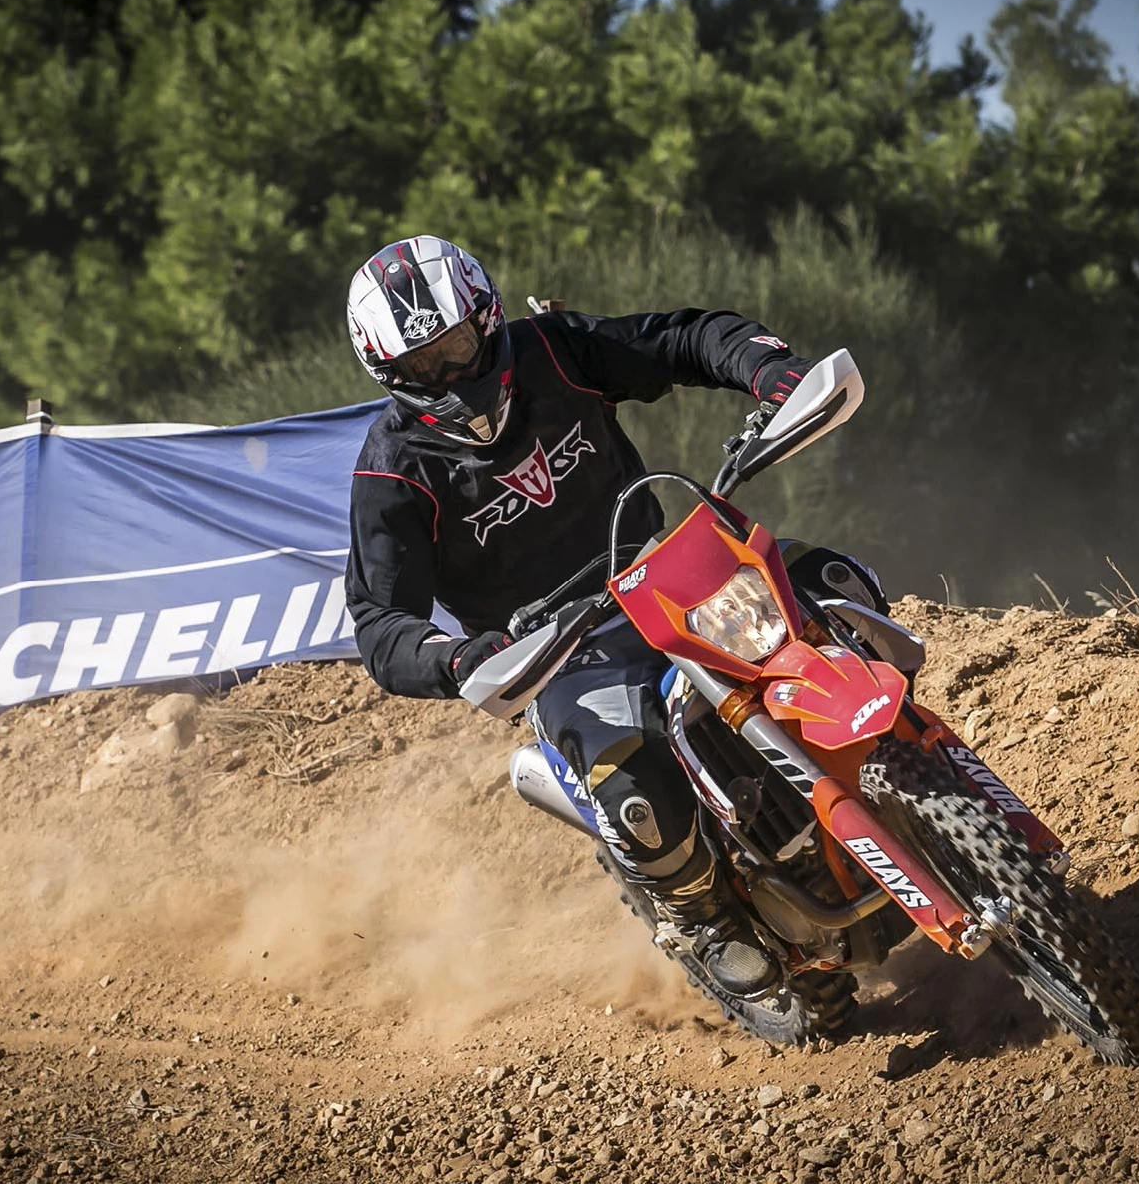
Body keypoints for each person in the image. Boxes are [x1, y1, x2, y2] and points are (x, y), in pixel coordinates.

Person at [343, 235, 838, 997]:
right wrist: (458, 657)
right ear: (391, 375)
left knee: (833, 583)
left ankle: (905, 760)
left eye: (458, 346)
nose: (450, 375)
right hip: (556, 656)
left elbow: (678, 339)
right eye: (425, 366)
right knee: (638, 798)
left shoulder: (556, 350)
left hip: (667, 576)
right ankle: (703, 916)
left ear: (488, 319)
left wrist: (769, 370)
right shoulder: (393, 471)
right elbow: (380, 621)